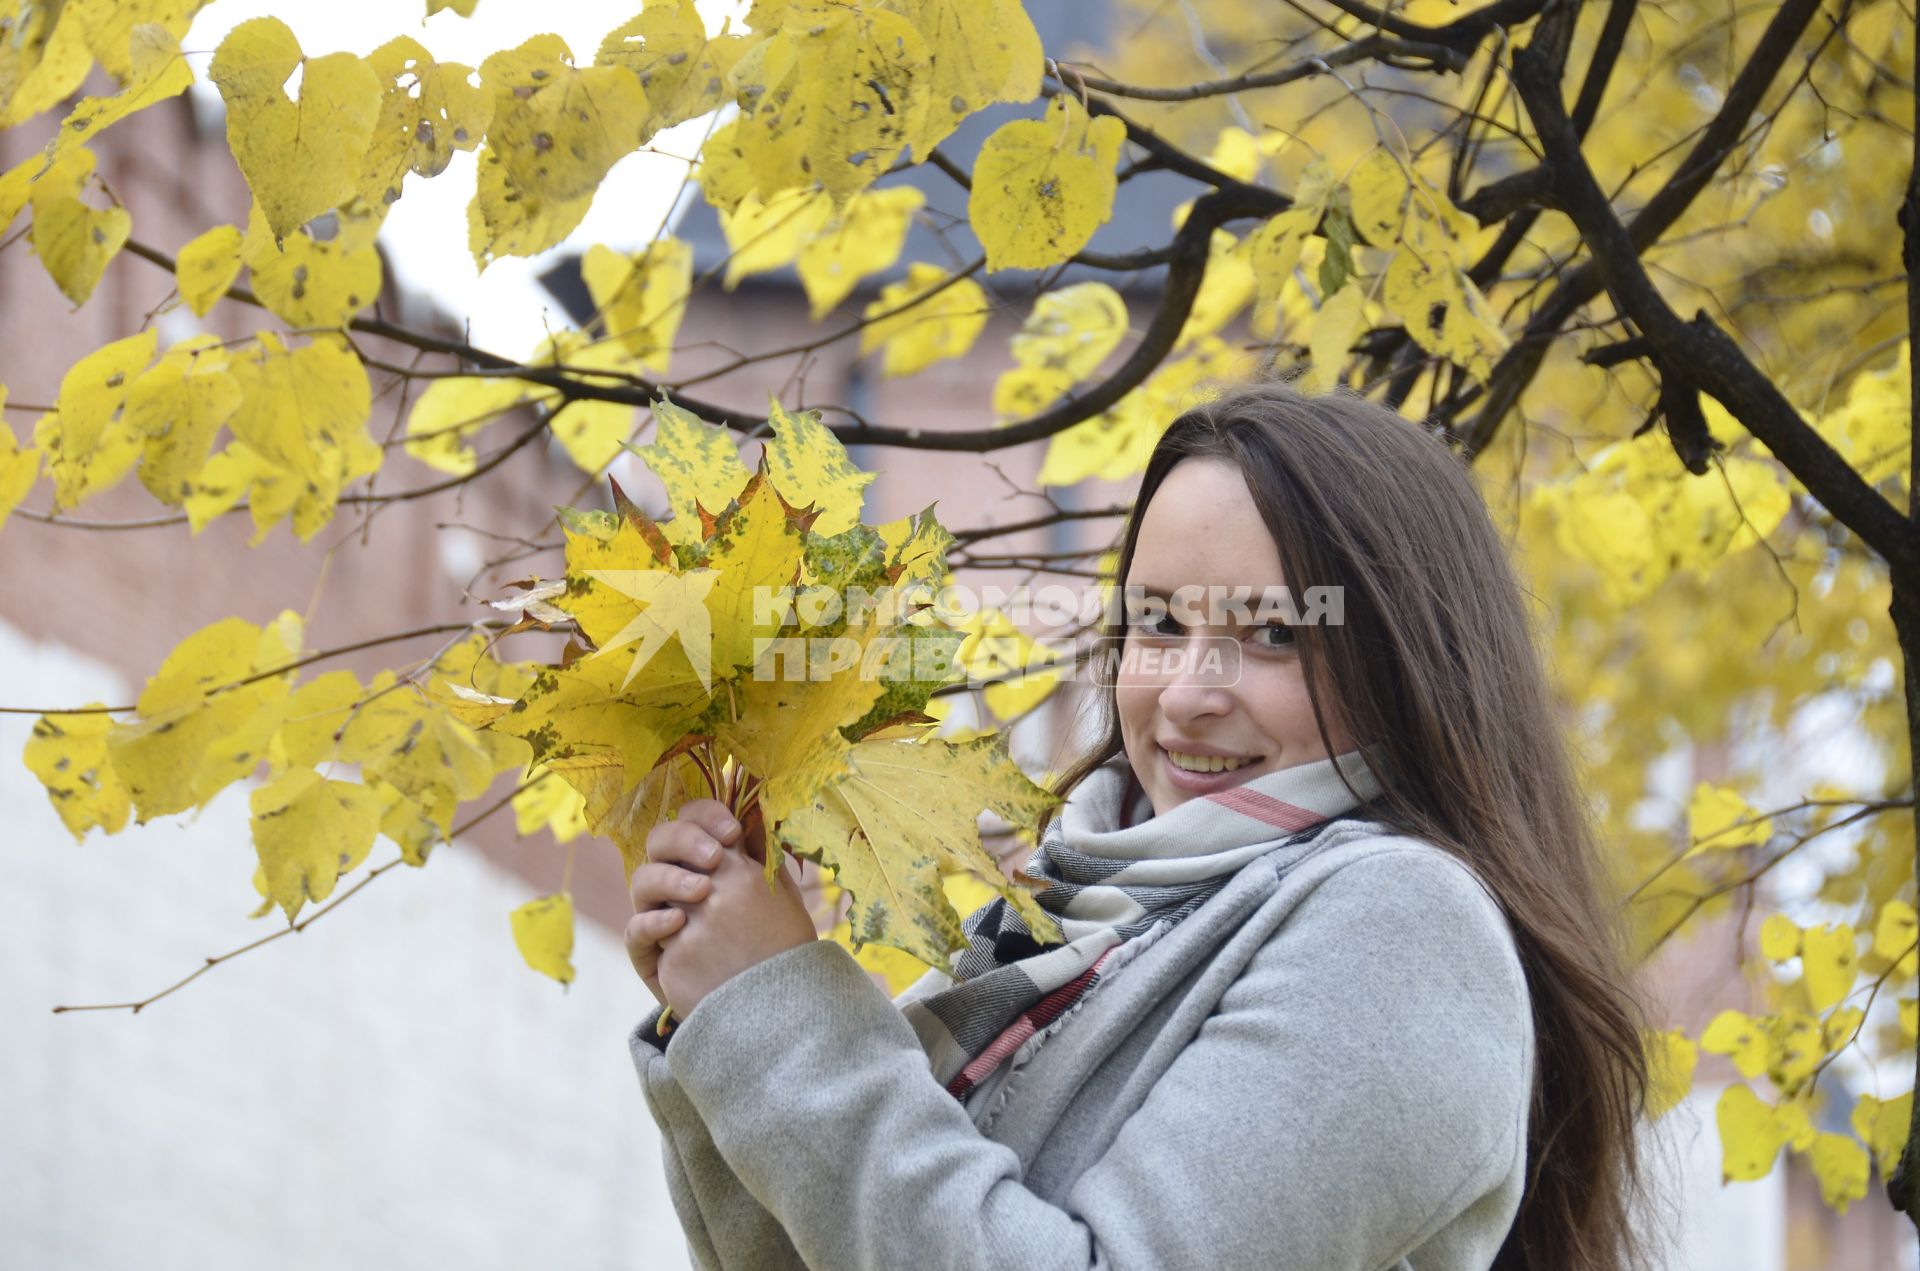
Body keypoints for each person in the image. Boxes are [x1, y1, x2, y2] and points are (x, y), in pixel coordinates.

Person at [623, 382, 1657, 1271]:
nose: (1187, 693)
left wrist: (781, 1012)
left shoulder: (1401, 927)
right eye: (1158, 621)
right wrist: (721, 1003)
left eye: (1272, 632)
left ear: (1409, 663)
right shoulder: (1074, 920)